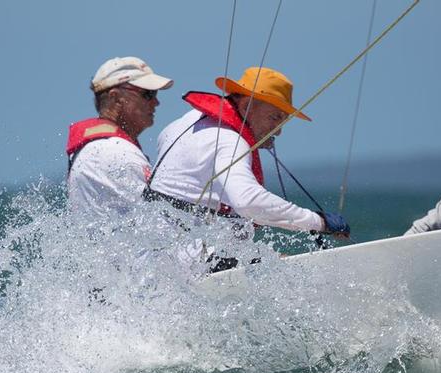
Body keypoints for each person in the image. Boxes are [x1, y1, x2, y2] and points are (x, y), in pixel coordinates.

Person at [146, 67, 349, 250]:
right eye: (274, 118)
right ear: (246, 106)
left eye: (283, 121)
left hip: (157, 244)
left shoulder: (185, 121)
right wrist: (317, 221)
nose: (278, 132)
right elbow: (248, 201)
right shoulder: (229, 141)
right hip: (182, 253)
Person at [66, 57, 173, 216]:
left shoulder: (100, 148)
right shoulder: (114, 151)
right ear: (116, 98)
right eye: (148, 94)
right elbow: (160, 226)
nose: (156, 102)